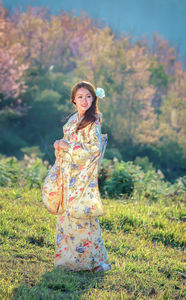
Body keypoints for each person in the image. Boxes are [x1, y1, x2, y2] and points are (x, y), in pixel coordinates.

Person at [52, 81, 111, 273]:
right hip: (68, 174)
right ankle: (69, 261)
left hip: (83, 177)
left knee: (84, 217)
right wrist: (59, 145)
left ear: (93, 98)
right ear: (73, 100)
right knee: (67, 217)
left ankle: (95, 262)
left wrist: (67, 146)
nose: (84, 100)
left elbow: (93, 150)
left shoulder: (93, 122)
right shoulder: (71, 122)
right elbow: (65, 146)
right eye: (80, 97)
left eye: (88, 96)